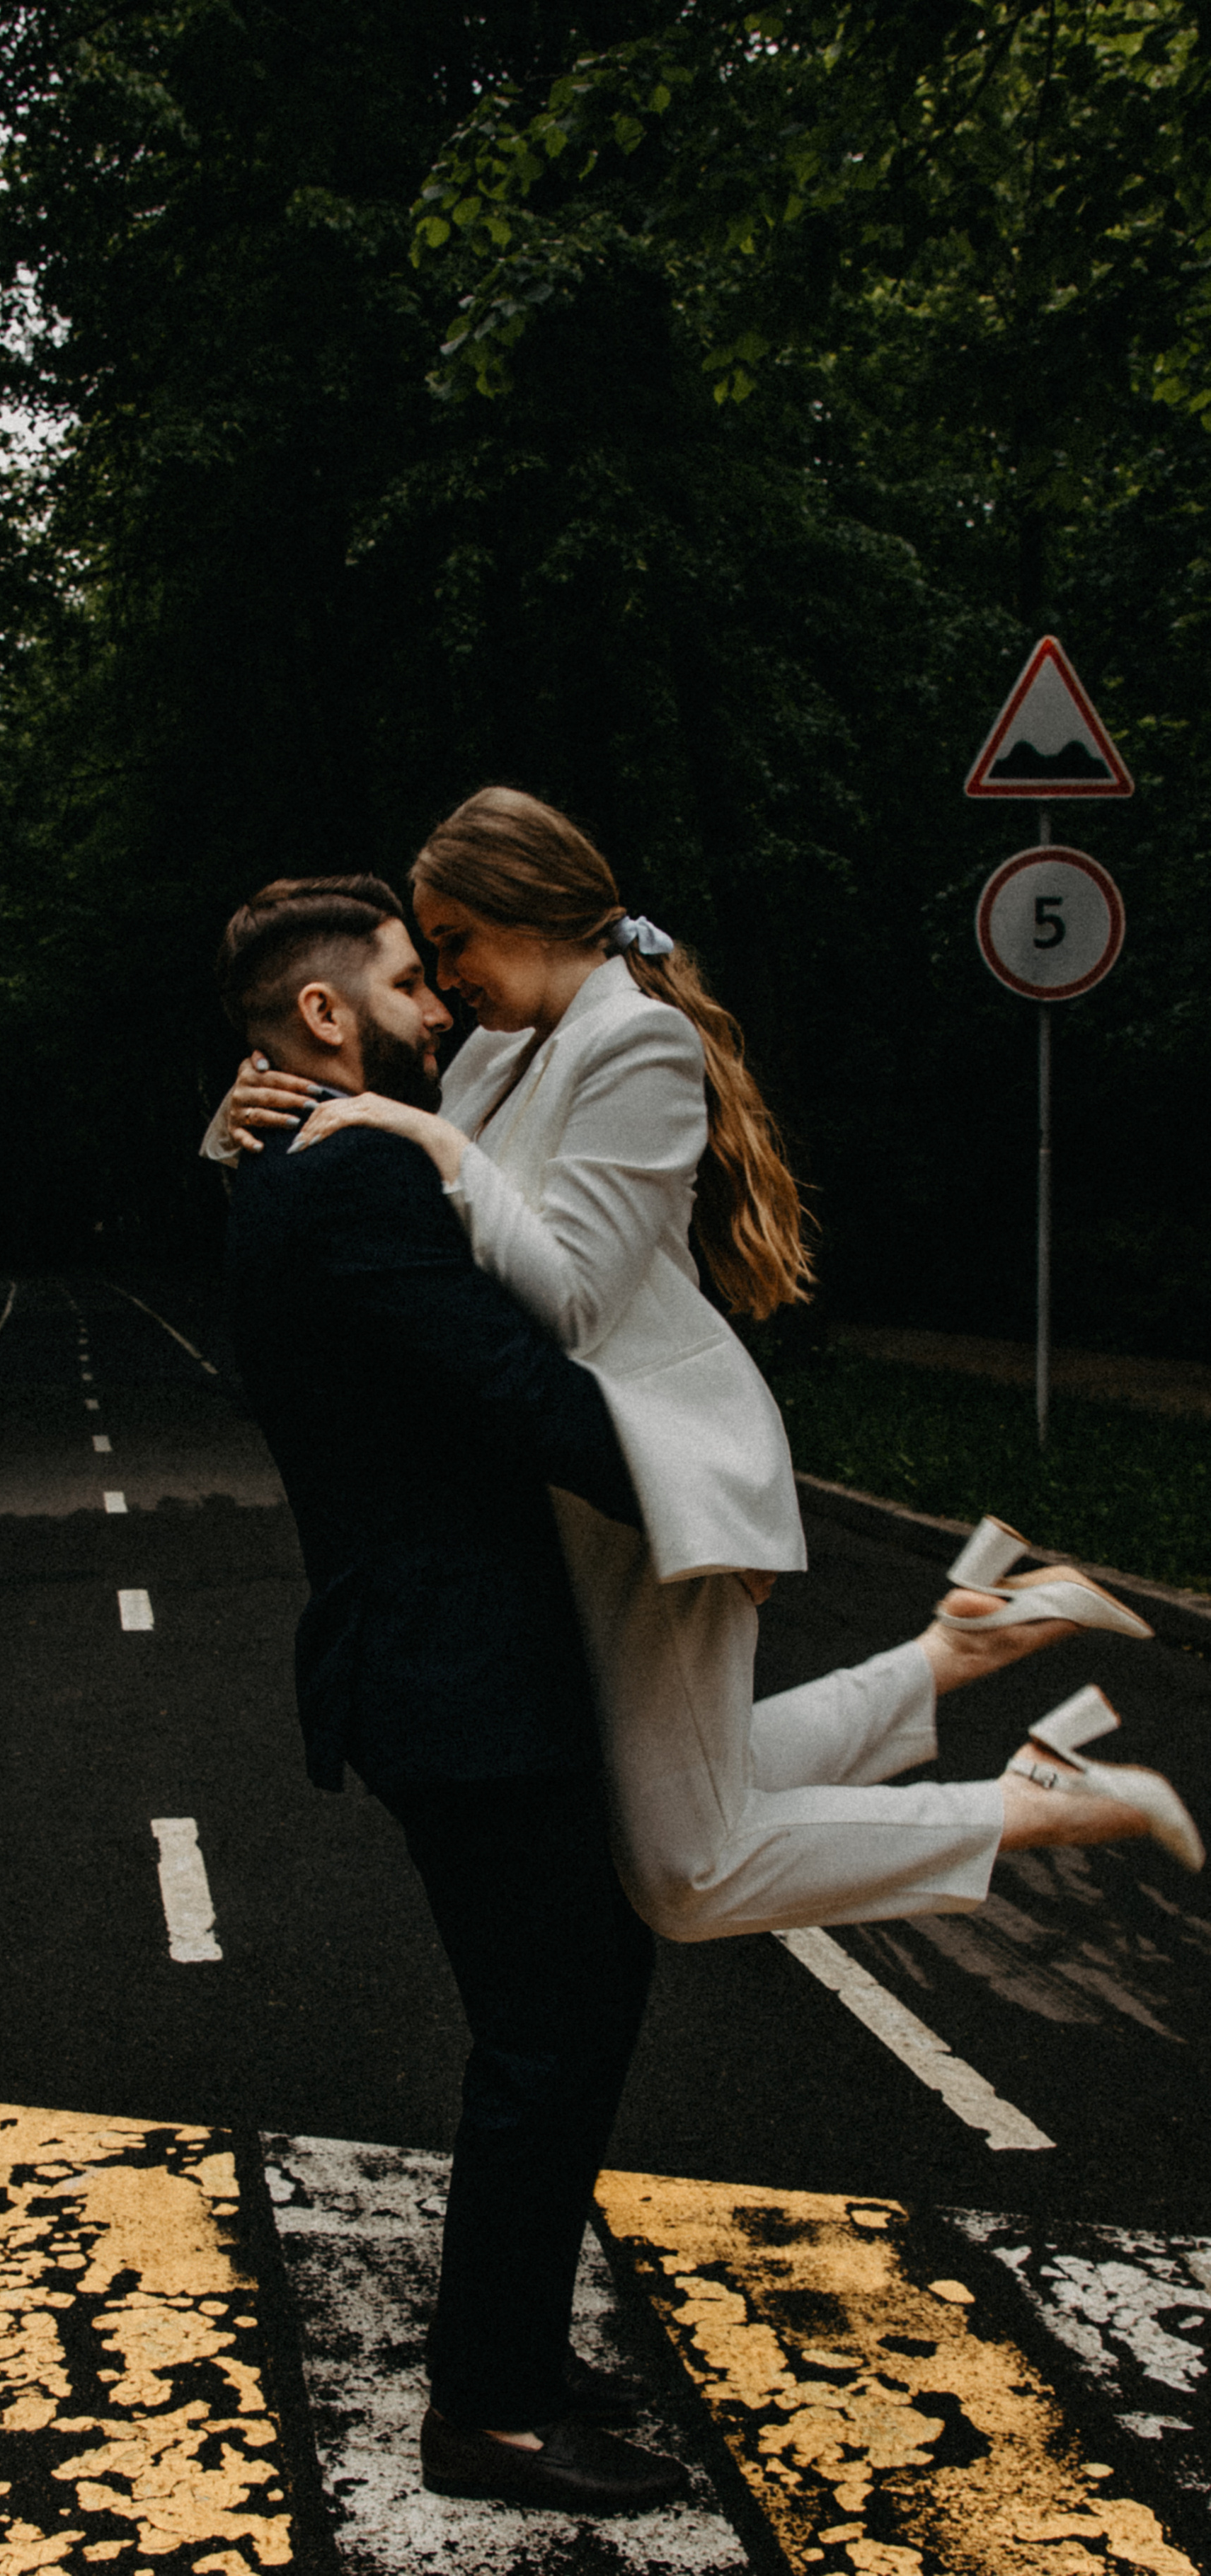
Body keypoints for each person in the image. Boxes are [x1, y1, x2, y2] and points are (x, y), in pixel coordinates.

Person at [209, 790, 1201, 1934]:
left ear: (527, 911)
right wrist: (247, 1111)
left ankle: (1032, 1803)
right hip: (589, 1486)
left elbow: (571, 1297)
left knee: (685, 1875)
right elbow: (362, 1157)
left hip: (658, 1465)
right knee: (676, 1793)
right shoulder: (496, 1053)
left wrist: (434, 1142)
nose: (444, 984)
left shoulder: (639, 1039)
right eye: (428, 957)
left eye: (454, 943)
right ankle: (948, 1654)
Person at [214, 873, 689, 2516]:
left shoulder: (286, 1161)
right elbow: (510, 1394)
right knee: (551, 2029)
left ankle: (517, 2356)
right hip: (456, 1666)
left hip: (439, 1659)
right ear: (327, 1013)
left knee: (564, 2007)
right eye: (411, 985)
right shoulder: (349, 1183)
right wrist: (707, 1495)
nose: (440, 1011)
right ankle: (487, 2413)